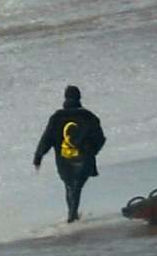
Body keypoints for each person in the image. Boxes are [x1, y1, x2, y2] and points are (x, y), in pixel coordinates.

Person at [33, 85, 105, 223]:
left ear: (65, 98)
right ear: (79, 98)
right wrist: (92, 151)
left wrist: (38, 157)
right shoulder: (89, 116)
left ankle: (72, 214)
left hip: (64, 159)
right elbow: (100, 139)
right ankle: (73, 215)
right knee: (77, 185)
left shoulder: (56, 117)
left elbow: (47, 138)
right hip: (85, 158)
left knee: (69, 185)